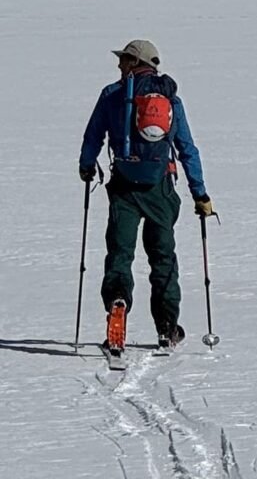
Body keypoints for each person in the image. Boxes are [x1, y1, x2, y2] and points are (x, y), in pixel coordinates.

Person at [78, 37, 213, 353]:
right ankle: (167, 326)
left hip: (124, 186)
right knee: (163, 257)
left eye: (123, 59)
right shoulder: (170, 100)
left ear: (134, 62)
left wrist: (87, 166)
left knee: (120, 254)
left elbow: (93, 135)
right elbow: (187, 149)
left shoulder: (112, 95)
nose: (119, 64)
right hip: (160, 189)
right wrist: (200, 194)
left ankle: (117, 301)